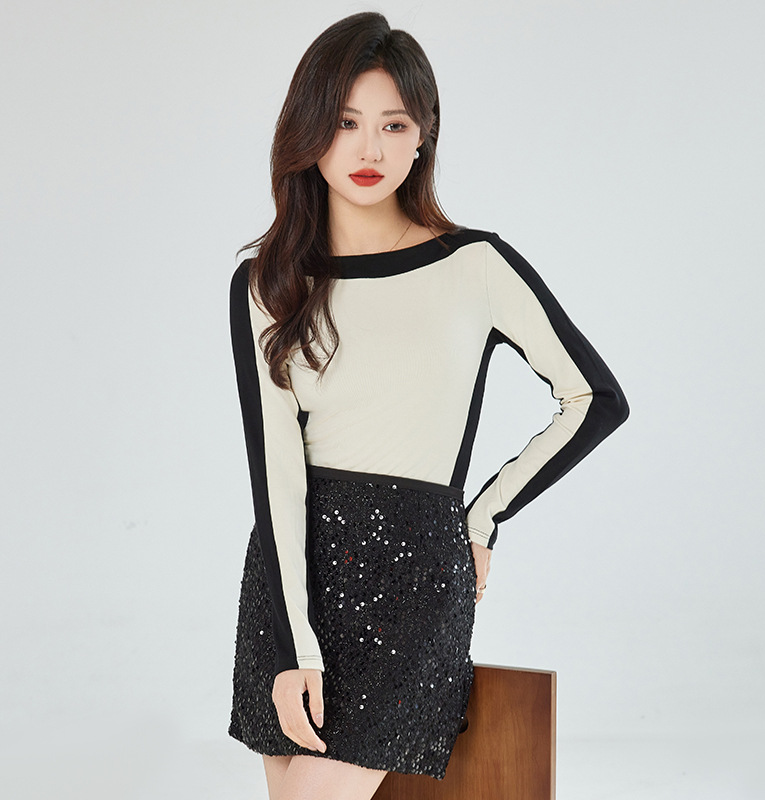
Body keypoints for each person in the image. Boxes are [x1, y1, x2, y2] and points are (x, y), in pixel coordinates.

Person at [227, 11, 629, 800]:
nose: (369, 151)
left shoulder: (474, 265)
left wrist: (482, 517)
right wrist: (292, 647)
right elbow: (274, 473)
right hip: (290, 584)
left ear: (424, 135)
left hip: (414, 581)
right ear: (309, 130)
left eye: (393, 124)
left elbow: (595, 399)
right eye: (345, 123)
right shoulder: (270, 282)